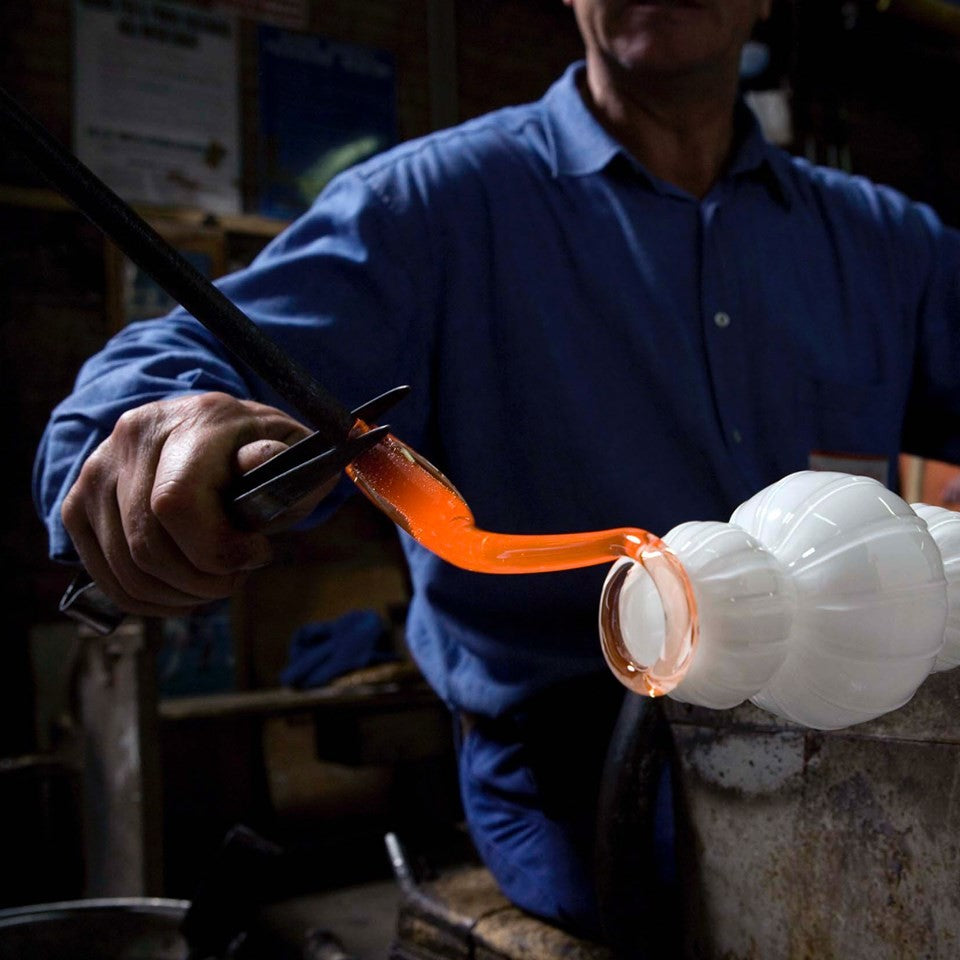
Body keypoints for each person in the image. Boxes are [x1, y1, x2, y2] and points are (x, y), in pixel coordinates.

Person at [33, 0, 960, 944]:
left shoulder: (884, 244)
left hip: (858, 721)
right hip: (582, 772)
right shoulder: (431, 209)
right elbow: (163, 371)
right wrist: (159, 432)